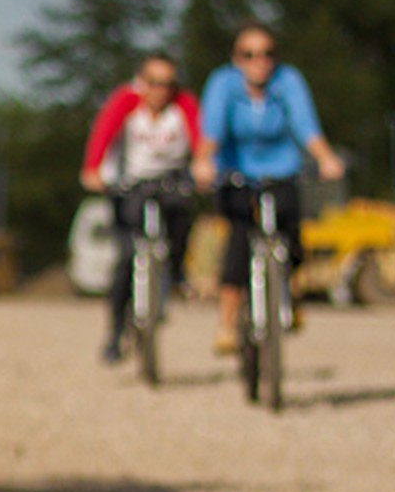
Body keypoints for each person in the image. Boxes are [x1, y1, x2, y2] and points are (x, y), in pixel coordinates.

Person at [191, 22, 345, 355]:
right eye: (249, 54)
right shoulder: (223, 84)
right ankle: (227, 324)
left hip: (281, 169)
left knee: (292, 237)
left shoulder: (288, 81)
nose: (259, 61)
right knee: (239, 238)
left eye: (267, 54)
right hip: (237, 174)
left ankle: (288, 294)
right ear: (237, 59)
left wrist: (326, 158)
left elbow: (306, 125)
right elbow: (212, 129)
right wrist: (203, 161)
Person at [81, 52, 200, 362]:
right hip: (129, 184)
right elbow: (103, 133)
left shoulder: (183, 105)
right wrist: (93, 170)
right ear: (141, 82)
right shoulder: (125, 103)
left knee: (181, 219)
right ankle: (115, 333)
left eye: (168, 84)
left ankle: (176, 274)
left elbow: (201, 139)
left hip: (170, 182)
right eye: (154, 83)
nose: (161, 90)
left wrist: (203, 164)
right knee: (126, 258)